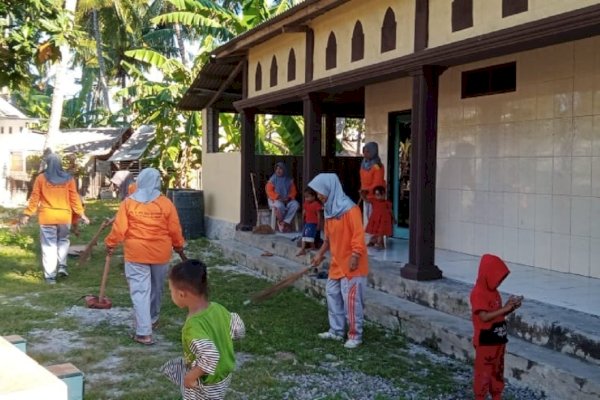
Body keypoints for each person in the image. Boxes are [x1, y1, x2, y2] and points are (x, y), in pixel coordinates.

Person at [105, 168, 185, 345]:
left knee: (140, 291)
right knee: (156, 288)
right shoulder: (166, 203)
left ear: (139, 181)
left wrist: (110, 243)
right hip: (160, 253)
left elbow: (119, 229)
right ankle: (152, 319)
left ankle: (143, 332)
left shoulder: (129, 203)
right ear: (157, 182)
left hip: (136, 253)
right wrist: (178, 246)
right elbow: (174, 229)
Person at [161, 259, 245, 400]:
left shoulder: (193, 326)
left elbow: (210, 356)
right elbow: (238, 329)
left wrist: (191, 377)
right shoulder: (218, 308)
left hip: (206, 381)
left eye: (171, 291)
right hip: (223, 375)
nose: (171, 295)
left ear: (181, 294)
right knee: (175, 367)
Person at [309, 173, 369, 349]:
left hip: (352, 264)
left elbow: (358, 235)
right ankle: (336, 331)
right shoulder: (329, 211)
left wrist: (356, 256)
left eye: (320, 191)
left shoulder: (351, 210)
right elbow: (328, 240)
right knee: (332, 294)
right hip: (337, 263)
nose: (319, 195)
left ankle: (355, 335)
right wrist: (320, 254)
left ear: (330, 188)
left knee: (351, 301)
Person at [22, 152, 89, 284]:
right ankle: (62, 265)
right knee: (63, 240)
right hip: (64, 216)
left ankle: (50, 277)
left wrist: (27, 214)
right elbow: (74, 199)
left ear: (48, 163)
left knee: (49, 245)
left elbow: (34, 197)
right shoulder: (69, 179)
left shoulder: (41, 178)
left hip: (47, 217)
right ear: (59, 164)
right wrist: (81, 214)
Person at [470, 254, 523, 400]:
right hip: (486, 341)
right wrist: (505, 309)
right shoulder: (478, 293)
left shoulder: (495, 293)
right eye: (497, 278)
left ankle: (496, 395)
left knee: (497, 370)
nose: (498, 282)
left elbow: (497, 315)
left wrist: (510, 307)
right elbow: (484, 317)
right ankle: (480, 396)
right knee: (484, 372)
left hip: (498, 339)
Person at [265, 161, 300, 232]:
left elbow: (293, 191)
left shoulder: (289, 180)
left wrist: (289, 198)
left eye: (280, 169)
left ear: (284, 170)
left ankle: (284, 222)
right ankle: (283, 223)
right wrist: (279, 197)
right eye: (277, 169)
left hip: (287, 200)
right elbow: (269, 191)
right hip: (275, 200)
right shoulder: (272, 180)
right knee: (279, 206)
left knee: (295, 204)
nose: (278, 170)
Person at [359, 142, 385, 226]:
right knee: (369, 216)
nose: (365, 154)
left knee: (375, 218)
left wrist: (367, 190)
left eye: (367, 152)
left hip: (375, 196)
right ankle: (374, 236)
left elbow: (378, 182)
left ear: (373, 152)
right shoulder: (364, 163)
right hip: (366, 196)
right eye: (364, 151)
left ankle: (376, 237)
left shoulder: (377, 165)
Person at [296, 187, 323, 256]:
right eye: (305, 197)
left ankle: (312, 247)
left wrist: (319, 224)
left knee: (310, 236)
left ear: (313, 197)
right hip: (307, 222)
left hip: (313, 223)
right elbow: (304, 212)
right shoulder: (306, 203)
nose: (306, 199)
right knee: (304, 236)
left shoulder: (316, 204)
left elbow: (319, 215)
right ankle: (302, 249)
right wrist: (302, 219)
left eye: (308, 197)